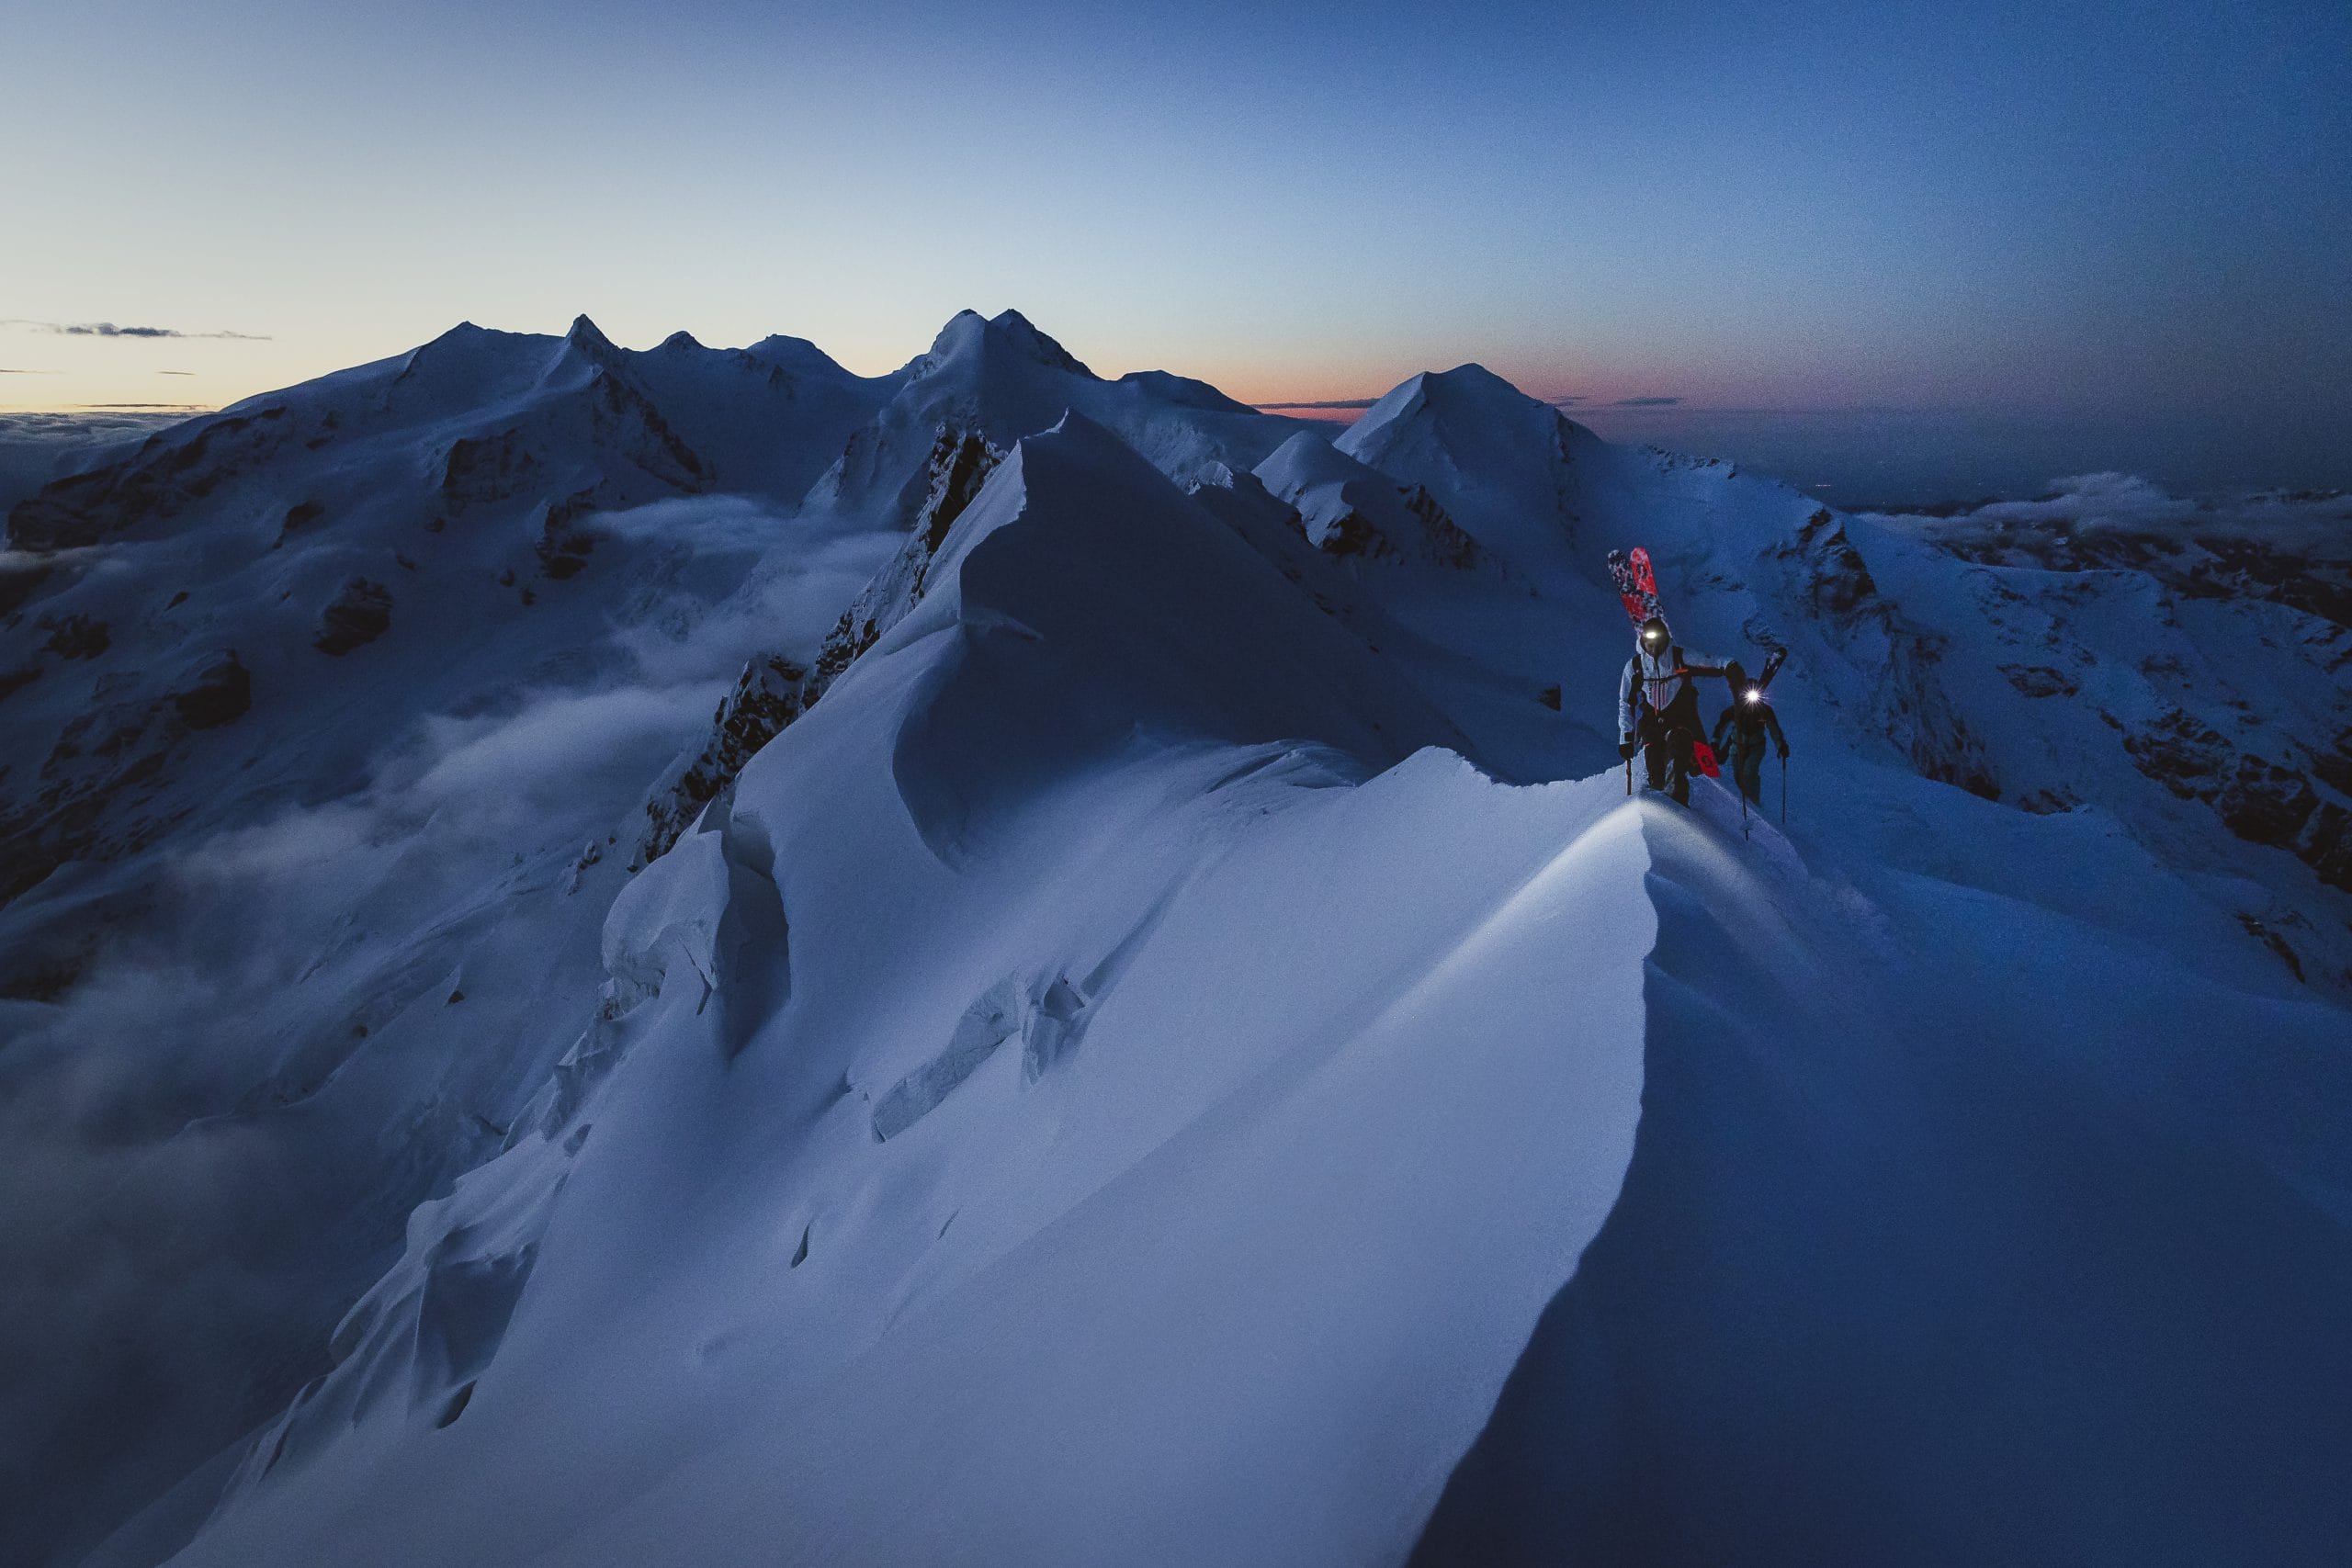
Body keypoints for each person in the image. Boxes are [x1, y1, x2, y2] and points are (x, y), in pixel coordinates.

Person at [1617, 615, 1728, 805]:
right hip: (1652, 727)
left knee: (1676, 762)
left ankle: (1678, 809)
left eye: (1657, 642)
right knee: (1656, 772)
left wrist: (1729, 666)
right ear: (1643, 641)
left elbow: (1711, 662)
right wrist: (1626, 737)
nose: (1653, 647)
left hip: (1680, 723)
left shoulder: (1679, 657)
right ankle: (1661, 811)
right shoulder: (1635, 667)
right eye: (1648, 642)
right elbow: (1626, 702)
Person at [1710, 659, 1789, 809]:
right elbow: (1721, 726)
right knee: (1739, 776)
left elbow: (1774, 728)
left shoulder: (1764, 710)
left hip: (1756, 746)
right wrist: (1714, 743)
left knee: (1749, 773)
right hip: (1736, 746)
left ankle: (1754, 805)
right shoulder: (1735, 710)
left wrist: (1781, 745)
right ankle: (1742, 805)